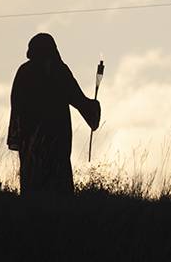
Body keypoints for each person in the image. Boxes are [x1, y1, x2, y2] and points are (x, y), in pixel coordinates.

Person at [7, 33, 101, 195]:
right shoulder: (58, 69)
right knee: (58, 180)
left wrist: (18, 134)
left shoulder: (24, 71)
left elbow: (16, 105)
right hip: (56, 136)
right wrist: (92, 107)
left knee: (33, 179)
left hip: (30, 136)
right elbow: (77, 98)